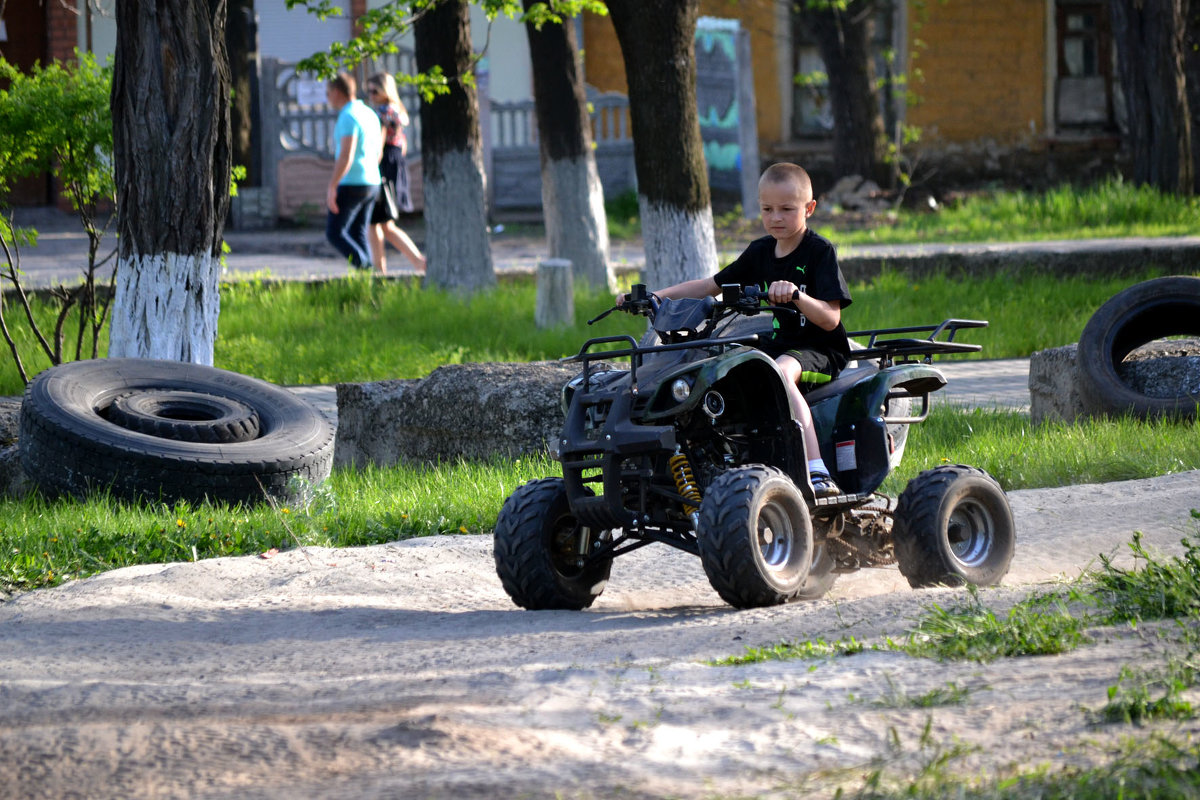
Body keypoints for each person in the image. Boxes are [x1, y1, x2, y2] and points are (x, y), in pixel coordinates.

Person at [620, 162, 852, 498]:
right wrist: (656, 296)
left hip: (819, 348)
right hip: (779, 342)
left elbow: (831, 319)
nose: (776, 217)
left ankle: (816, 471)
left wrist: (798, 295)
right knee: (722, 371)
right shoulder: (760, 252)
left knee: (780, 374)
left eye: (787, 209)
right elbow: (707, 285)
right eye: (767, 209)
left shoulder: (819, 252)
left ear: (809, 208)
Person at [366, 72, 426, 274]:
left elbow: (378, 146)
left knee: (378, 223)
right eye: (369, 91)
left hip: (384, 166)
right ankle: (414, 262)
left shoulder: (383, 112)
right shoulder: (398, 111)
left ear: (385, 91)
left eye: (375, 90)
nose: (371, 95)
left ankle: (386, 268)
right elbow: (403, 145)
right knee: (383, 224)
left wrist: (370, 167)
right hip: (396, 164)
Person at [324, 71, 383, 270]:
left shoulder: (347, 116)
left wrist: (332, 186)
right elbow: (378, 151)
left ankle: (366, 269)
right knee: (358, 232)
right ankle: (368, 283)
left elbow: (346, 156)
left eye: (328, 92)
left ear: (337, 92)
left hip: (352, 182)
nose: (327, 98)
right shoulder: (369, 113)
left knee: (334, 232)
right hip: (372, 180)